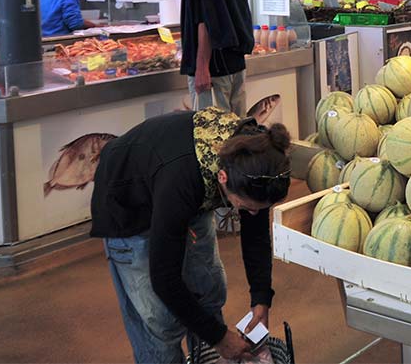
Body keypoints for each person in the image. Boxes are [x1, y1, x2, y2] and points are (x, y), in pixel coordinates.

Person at [91, 108, 291, 364]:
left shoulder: (258, 164)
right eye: (245, 206)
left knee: (209, 288)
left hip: (182, 190)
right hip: (127, 205)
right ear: (223, 178)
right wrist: (220, 338)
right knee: (159, 322)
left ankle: (206, 357)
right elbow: (164, 278)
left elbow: (256, 235)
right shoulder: (182, 182)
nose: (253, 213)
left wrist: (261, 298)